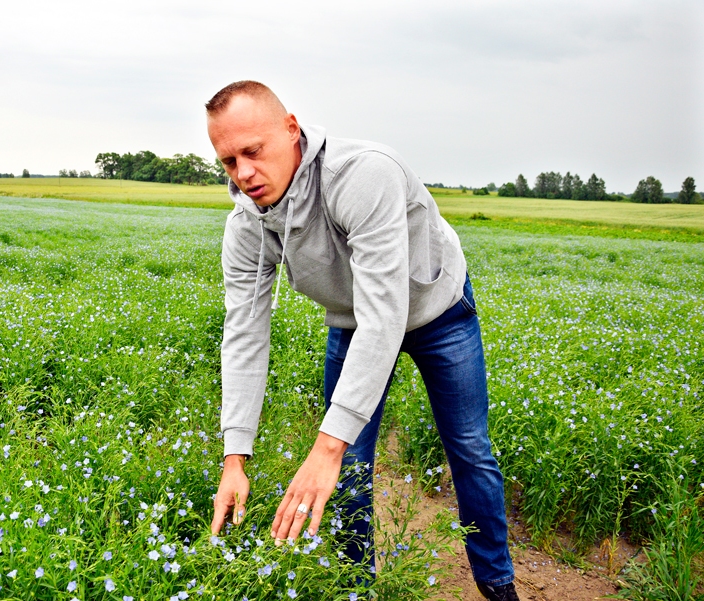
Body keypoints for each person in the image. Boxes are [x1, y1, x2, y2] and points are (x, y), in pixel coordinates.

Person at [206, 80, 519, 601]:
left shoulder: (364, 174)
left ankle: (496, 582)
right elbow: (244, 334)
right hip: (355, 319)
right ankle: (357, 587)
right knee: (350, 463)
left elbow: (385, 315)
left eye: (253, 151)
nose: (244, 174)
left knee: (469, 448)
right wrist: (234, 456)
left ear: (291, 129)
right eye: (228, 161)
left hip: (437, 310)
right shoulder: (245, 227)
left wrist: (326, 447)